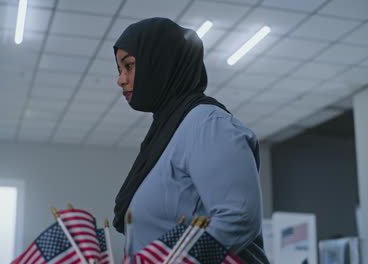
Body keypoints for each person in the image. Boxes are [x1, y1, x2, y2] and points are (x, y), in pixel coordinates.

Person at [112, 18, 269, 263]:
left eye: (129, 66)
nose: (120, 79)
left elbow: (237, 218)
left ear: (160, 63)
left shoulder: (207, 123)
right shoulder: (167, 132)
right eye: (119, 70)